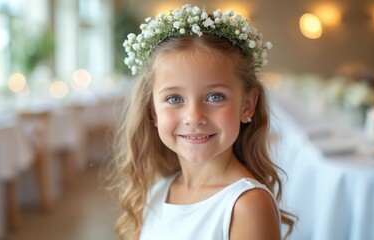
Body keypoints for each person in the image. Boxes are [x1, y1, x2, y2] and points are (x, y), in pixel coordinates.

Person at [108, 4, 295, 240]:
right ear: (153, 112)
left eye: (215, 97)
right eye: (174, 98)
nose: (194, 117)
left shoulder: (246, 206)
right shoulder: (157, 192)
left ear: (247, 105)